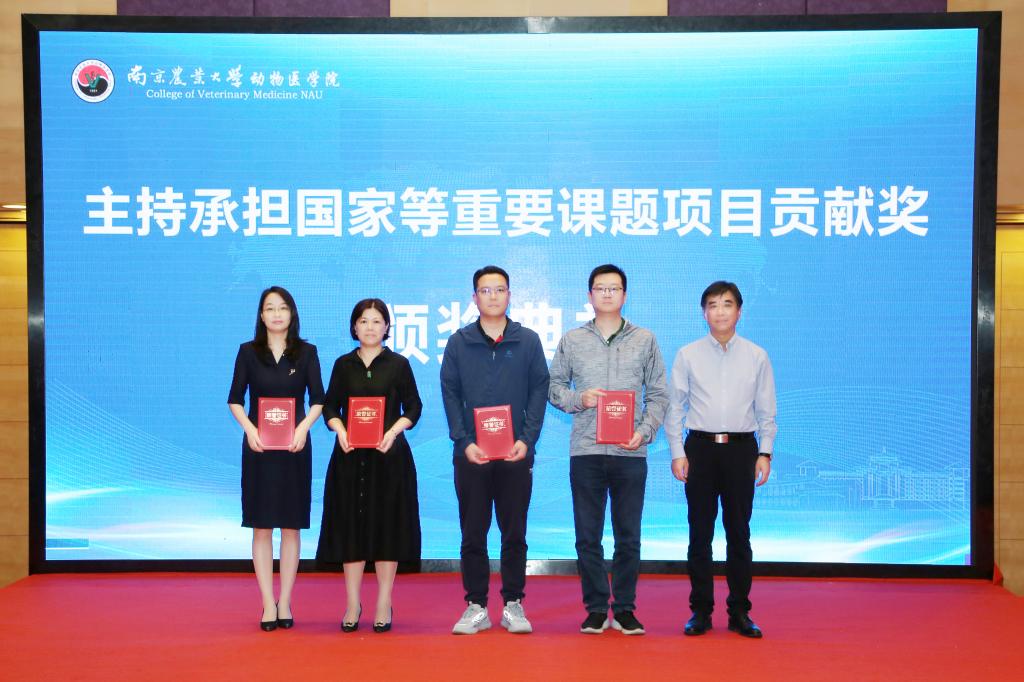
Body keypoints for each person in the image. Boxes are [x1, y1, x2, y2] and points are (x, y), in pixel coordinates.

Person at [548, 264, 668, 636]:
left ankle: (626, 609)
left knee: (628, 537)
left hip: (630, 453)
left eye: (614, 288)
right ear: (590, 295)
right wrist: (579, 398)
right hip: (586, 452)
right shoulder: (572, 340)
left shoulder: (645, 339)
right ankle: (597, 608)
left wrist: (644, 433)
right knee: (588, 537)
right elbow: (553, 388)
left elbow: (659, 394)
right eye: (600, 288)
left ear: (624, 295)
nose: (607, 294)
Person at [440, 265, 550, 635]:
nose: (492, 296)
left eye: (499, 289)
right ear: (474, 298)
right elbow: (450, 393)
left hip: (515, 453)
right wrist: (463, 441)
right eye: (485, 291)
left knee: (514, 532)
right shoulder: (459, 342)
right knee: (473, 532)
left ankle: (513, 603)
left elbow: (539, 389)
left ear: (509, 295)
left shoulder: (527, 341)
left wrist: (527, 439)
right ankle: (476, 605)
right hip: (471, 455)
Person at [664, 281, 776, 639]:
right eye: (712, 305)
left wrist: (765, 451)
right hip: (700, 449)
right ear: (704, 313)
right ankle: (700, 611)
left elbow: (766, 409)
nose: (720, 311)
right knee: (700, 533)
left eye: (727, 304)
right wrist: (678, 452)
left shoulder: (757, 355)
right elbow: (675, 408)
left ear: (739, 311)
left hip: (742, 450)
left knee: (739, 533)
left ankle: (740, 611)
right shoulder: (688, 354)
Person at [316, 299, 422, 634]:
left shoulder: (399, 364)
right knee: (351, 531)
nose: (370, 327)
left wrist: (393, 431)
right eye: (363, 321)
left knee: (388, 530)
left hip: (389, 459)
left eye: (377, 321)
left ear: (387, 327)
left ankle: (383, 602)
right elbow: (330, 406)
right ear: (354, 327)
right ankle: (352, 603)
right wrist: (340, 430)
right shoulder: (343, 365)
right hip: (350, 459)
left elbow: (414, 407)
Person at [228, 286, 325, 632]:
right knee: (262, 526)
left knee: (291, 526)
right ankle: (268, 602)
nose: (277, 314)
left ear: (292, 313)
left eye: (283, 308)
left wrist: (303, 428)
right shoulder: (248, 352)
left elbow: (318, 399)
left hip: (295, 448)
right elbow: (235, 399)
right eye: (270, 308)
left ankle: (285, 600)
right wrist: (250, 429)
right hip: (259, 449)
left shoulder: (307, 353)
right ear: (261, 315)